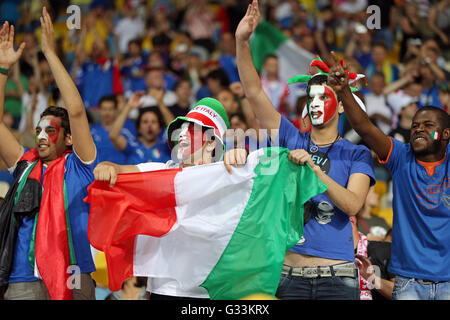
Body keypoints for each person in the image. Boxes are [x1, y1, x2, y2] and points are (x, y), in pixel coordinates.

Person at [235, 0, 375, 300]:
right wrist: (242, 41)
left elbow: (352, 205)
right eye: (310, 96)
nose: (313, 103)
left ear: (339, 105)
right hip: (288, 275)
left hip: (338, 277)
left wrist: (313, 167)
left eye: (322, 96)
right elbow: (254, 92)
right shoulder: (290, 137)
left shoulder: (356, 153)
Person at [327, 50, 450, 300]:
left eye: (428, 126)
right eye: (415, 126)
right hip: (408, 282)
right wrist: (344, 91)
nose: (418, 130)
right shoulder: (400, 156)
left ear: (445, 135)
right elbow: (364, 127)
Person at [93, 97, 234, 299]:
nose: (182, 134)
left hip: (206, 294)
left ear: (212, 142)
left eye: (192, 129)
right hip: (162, 290)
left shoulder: (226, 178)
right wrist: (107, 166)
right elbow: (120, 170)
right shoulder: (162, 172)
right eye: (181, 129)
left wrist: (241, 156)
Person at [0, 8, 97, 300]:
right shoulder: (24, 164)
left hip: (73, 274)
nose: (41, 136)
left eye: (50, 130)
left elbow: (76, 111)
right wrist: (3, 70)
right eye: (38, 130)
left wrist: (50, 54)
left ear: (68, 138)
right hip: (23, 278)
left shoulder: (79, 164)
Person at [108, 92, 171, 165]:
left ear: (160, 129)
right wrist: (129, 106)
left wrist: (160, 103)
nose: (149, 125)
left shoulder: (166, 146)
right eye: (145, 122)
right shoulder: (132, 146)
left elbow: (177, 131)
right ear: (139, 128)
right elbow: (113, 135)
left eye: (153, 122)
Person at [90, 95, 136, 164]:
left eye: (110, 109)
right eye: (104, 109)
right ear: (99, 110)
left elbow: (132, 151)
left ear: (116, 110)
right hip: (96, 171)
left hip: (120, 171)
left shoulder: (126, 131)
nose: (107, 113)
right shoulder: (91, 131)